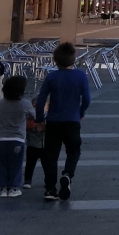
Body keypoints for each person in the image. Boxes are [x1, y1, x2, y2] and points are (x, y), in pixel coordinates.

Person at [35, 41, 91, 201]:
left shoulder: (51, 77)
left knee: (50, 156)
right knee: (73, 151)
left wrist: (40, 120)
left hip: (53, 121)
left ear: (55, 60)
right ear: (74, 59)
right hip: (72, 121)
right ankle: (67, 174)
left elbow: (41, 100)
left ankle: (50, 189)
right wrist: (81, 112)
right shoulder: (80, 76)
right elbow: (87, 99)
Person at [0, 75, 31, 197]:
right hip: (17, 139)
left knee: (2, 164)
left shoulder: (2, 102)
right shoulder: (25, 104)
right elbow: (35, 116)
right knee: (15, 164)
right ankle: (14, 187)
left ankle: (3, 188)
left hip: (0, 138)